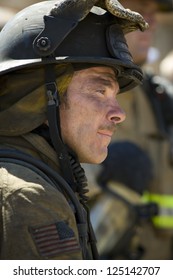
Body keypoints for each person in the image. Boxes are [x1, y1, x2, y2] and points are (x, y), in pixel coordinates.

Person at [0, 0, 148, 260]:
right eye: (99, 91)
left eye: (115, 95)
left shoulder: (39, 179)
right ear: (39, 97)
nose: (119, 113)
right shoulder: (30, 197)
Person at [109, 0, 173, 259]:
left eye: (154, 13)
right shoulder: (64, 92)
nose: (152, 22)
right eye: (140, 11)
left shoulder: (158, 97)